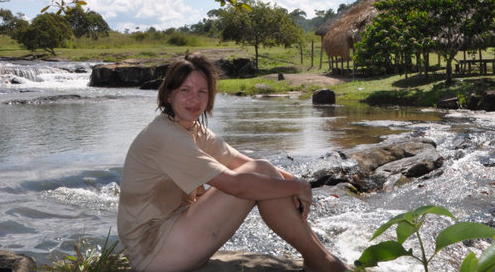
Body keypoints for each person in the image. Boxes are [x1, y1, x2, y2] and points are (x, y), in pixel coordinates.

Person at [117, 53, 349, 272]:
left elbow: (241, 162)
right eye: (185, 90)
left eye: (202, 92)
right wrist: (299, 186)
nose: (194, 99)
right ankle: (322, 262)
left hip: (174, 238)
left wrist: (294, 181)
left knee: (263, 170)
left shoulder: (194, 130)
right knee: (258, 174)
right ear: (169, 94)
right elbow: (236, 185)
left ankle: (319, 258)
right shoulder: (164, 135)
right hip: (153, 253)